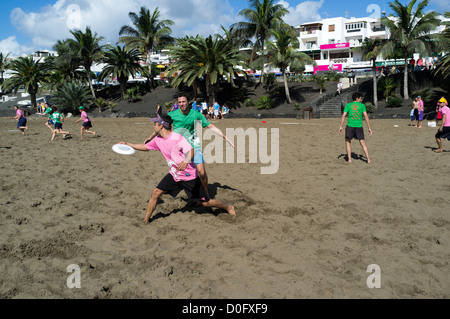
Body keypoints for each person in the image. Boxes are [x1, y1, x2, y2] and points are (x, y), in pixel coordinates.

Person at [119, 114, 235, 224]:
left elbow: (191, 150)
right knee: (155, 193)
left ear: (161, 125)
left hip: (189, 176)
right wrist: (128, 144)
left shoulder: (177, 138)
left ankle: (228, 207)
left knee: (206, 203)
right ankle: (146, 220)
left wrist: (185, 161)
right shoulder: (158, 139)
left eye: (155, 123)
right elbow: (145, 147)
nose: (153, 125)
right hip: (174, 175)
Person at [144, 93, 235, 199]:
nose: (182, 104)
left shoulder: (196, 114)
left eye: (184, 102)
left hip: (194, 146)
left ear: (188, 102)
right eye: (180, 102)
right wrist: (150, 137)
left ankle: (205, 191)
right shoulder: (173, 115)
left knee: (201, 171)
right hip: (179, 148)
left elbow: (210, 126)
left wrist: (225, 137)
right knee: (180, 172)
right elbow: (161, 126)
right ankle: (184, 189)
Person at [338, 91, 373, 163]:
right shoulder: (362, 106)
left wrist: (341, 126)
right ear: (357, 98)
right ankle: (368, 159)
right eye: (360, 98)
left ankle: (350, 159)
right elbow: (366, 117)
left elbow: (343, 116)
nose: (361, 100)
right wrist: (369, 128)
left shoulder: (348, 105)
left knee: (348, 142)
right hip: (359, 126)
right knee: (362, 143)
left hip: (350, 126)